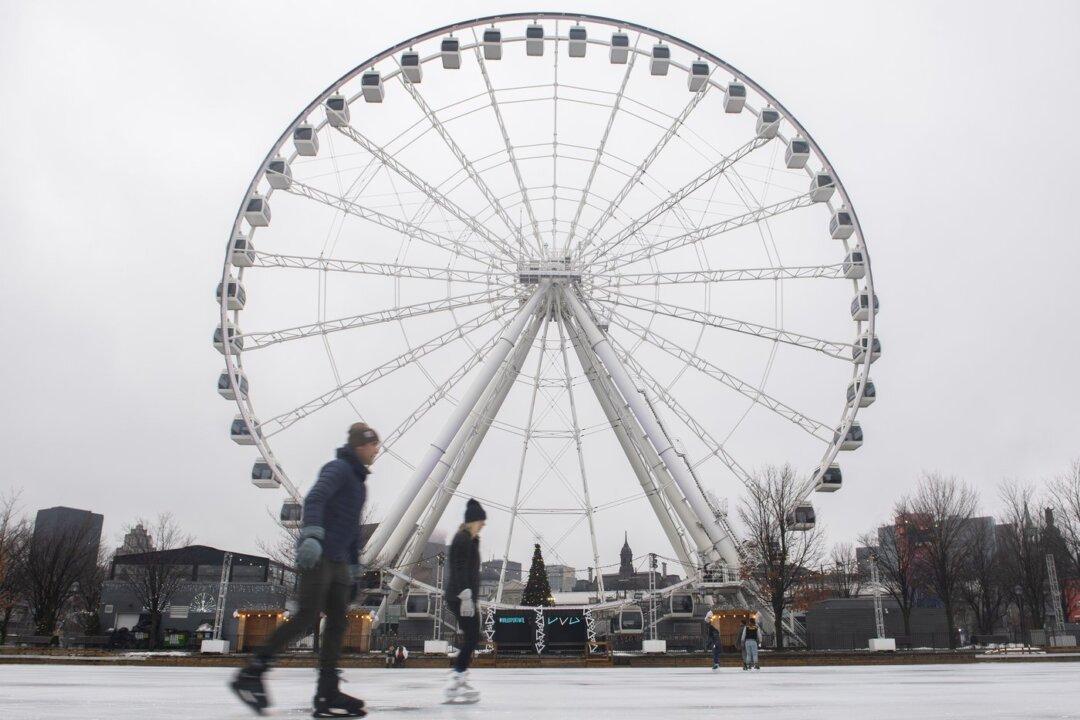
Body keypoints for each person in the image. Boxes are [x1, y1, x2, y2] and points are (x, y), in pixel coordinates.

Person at [231, 423, 379, 718]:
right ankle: (253, 671)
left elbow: (351, 530)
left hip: (338, 561)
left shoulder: (359, 483)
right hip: (319, 555)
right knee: (307, 615)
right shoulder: (337, 469)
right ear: (361, 445)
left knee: (338, 623)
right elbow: (315, 499)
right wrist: (311, 535)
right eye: (374, 445)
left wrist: (353, 567)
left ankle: (327, 690)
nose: (377, 451)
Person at [443, 499, 485, 703]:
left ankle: (460, 675)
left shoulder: (471, 540)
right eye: (481, 521)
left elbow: (469, 570)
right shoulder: (462, 539)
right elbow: (459, 568)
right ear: (472, 521)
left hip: (464, 596)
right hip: (459, 596)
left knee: (473, 636)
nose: (483, 525)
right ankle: (457, 678)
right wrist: (466, 596)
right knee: (472, 636)